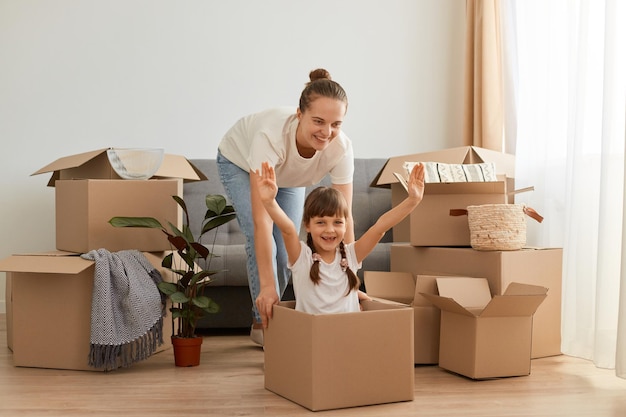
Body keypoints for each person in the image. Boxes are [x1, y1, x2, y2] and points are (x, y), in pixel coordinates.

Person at [216, 69, 353, 345]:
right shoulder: (270, 138)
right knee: (269, 244)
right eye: (318, 121)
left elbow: (344, 219)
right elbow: (262, 224)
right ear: (299, 114)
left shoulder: (341, 149)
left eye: (336, 124)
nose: (327, 133)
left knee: (291, 249)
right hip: (241, 163)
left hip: (289, 176)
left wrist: (351, 281)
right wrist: (267, 286)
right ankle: (263, 323)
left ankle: (272, 319)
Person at [256, 161, 425, 314]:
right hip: (313, 340)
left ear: (346, 225)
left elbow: (380, 228)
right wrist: (269, 202)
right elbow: (287, 230)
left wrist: (412, 200)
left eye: (337, 222)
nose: (330, 230)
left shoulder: (352, 254)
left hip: (347, 337)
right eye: (321, 222)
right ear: (308, 225)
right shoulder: (302, 257)